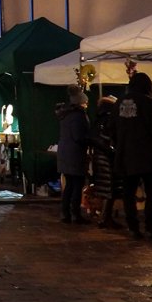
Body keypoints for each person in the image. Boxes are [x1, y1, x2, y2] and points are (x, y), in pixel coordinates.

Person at [114, 71, 152, 241]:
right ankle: (151, 228)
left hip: (126, 156)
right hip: (148, 157)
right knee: (151, 194)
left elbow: (112, 129)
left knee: (128, 193)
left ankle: (133, 227)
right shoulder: (151, 105)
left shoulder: (118, 105)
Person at [56, 88, 90, 224]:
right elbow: (79, 137)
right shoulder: (79, 116)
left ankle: (65, 213)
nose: (87, 105)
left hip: (65, 153)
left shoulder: (65, 115)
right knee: (77, 185)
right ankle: (75, 214)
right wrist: (90, 140)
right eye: (85, 102)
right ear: (81, 103)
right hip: (75, 154)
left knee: (69, 185)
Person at [89, 95, 121, 229]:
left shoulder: (97, 120)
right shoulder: (109, 120)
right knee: (109, 188)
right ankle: (105, 217)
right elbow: (110, 138)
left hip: (98, 156)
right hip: (107, 158)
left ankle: (102, 215)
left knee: (103, 188)